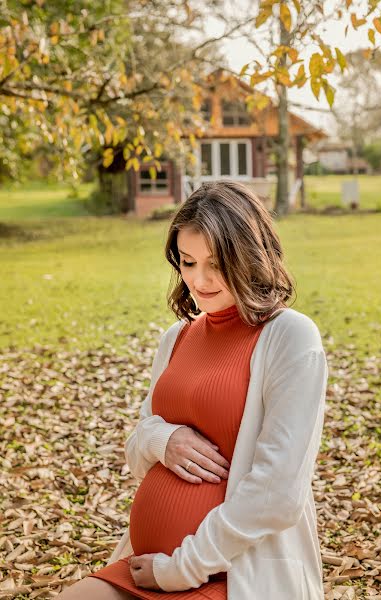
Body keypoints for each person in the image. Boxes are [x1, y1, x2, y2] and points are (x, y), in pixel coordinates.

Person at [58, 180, 328, 600]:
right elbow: (136, 451)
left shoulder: (290, 337)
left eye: (216, 263)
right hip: (149, 564)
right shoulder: (177, 337)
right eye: (187, 261)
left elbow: (277, 495)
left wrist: (179, 569)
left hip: (232, 574)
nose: (199, 280)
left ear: (251, 256)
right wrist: (161, 438)